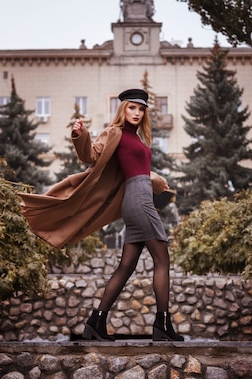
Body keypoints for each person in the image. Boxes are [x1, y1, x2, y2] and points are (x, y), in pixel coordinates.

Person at [18, 88, 183, 342]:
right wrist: (80, 134)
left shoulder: (137, 138)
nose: (137, 113)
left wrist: (156, 179)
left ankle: (96, 322)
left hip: (135, 199)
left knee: (126, 266)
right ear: (122, 109)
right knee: (162, 260)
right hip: (139, 201)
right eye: (132, 107)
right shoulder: (115, 132)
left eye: (141, 109)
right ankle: (162, 325)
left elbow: (137, 170)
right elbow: (91, 154)